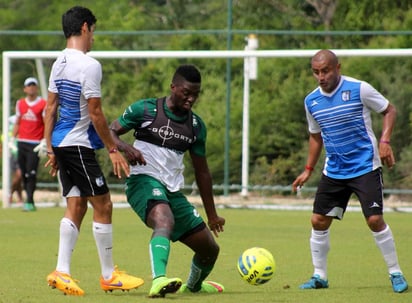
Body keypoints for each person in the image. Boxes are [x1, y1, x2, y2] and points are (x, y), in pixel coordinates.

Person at [43, 6, 144, 296]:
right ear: (85, 27)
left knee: (76, 204)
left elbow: (50, 108)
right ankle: (108, 274)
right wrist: (113, 148)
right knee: (104, 205)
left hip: (62, 143)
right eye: (94, 31)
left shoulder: (58, 62)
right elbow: (96, 113)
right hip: (77, 145)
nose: (94, 38)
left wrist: (51, 148)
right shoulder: (89, 65)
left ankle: (62, 271)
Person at [292, 49, 408, 293]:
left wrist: (385, 142)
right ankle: (319, 276)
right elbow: (315, 136)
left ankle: (395, 272)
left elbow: (390, 110)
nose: (321, 76)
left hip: (365, 166)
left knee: (374, 220)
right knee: (318, 220)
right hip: (334, 170)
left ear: (338, 68)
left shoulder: (359, 89)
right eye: (316, 72)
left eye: (325, 71)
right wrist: (308, 169)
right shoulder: (311, 101)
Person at [109, 64, 226, 298]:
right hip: (143, 181)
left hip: (172, 191)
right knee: (164, 219)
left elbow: (202, 173)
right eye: (186, 92)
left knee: (209, 250)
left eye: (196, 94)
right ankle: (159, 280)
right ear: (173, 87)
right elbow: (110, 130)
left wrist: (212, 215)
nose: (191, 99)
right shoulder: (145, 109)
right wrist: (124, 147)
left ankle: (193, 286)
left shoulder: (195, 127)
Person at [12, 77, 46, 211]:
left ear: (36, 88)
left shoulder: (43, 104)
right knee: (23, 172)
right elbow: (18, 122)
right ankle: (28, 199)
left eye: (33, 85)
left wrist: (45, 140)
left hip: (35, 143)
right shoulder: (20, 103)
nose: (31, 88)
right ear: (24, 89)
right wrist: (12, 139)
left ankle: (30, 201)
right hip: (22, 142)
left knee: (31, 173)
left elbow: (46, 122)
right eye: (29, 85)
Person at [8, 115, 23, 205]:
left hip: (21, 154)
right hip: (13, 155)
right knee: (18, 176)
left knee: (19, 177)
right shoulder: (9, 132)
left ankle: (17, 197)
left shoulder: (22, 130)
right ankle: (12, 194)